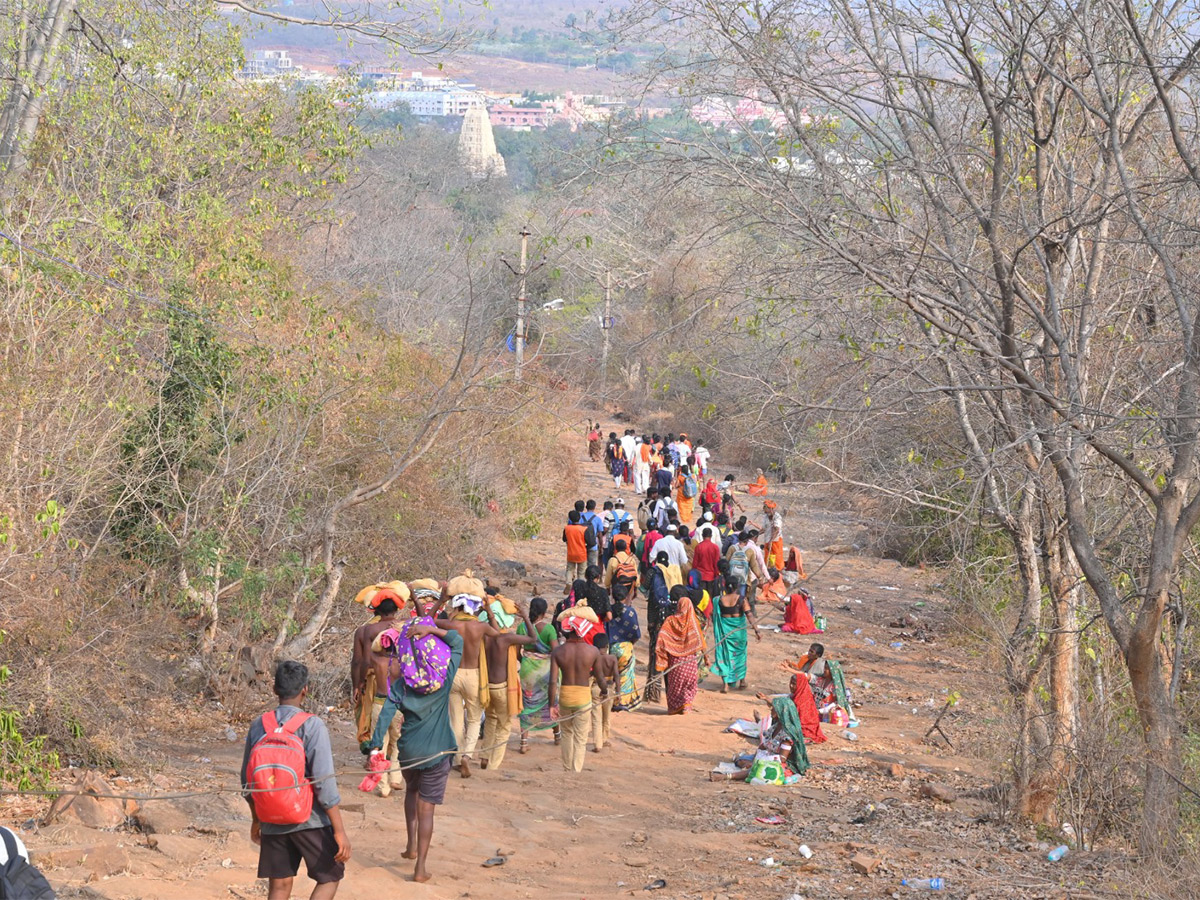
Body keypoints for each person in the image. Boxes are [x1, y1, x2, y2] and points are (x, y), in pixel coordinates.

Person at [243, 661, 350, 900]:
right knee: (330, 877)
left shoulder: (258, 725)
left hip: (270, 819)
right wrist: (339, 830)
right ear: (305, 690)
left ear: (274, 690)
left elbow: (247, 782)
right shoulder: (312, 725)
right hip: (309, 820)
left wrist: (257, 820)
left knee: (279, 886)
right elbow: (323, 783)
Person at [368, 622, 464, 883]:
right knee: (427, 809)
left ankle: (411, 846)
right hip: (437, 751)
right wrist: (433, 630)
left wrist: (375, 748)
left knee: (411, 791)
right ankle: (420, 867)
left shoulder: (401, 686)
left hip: (409, 751)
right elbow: (457, 641)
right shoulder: (444, 678)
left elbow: (385, 716)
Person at [439, 590, 501, 778]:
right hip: (474, 675)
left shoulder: (451, 624)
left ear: (457, 606)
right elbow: (497, 633)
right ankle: (467, 755)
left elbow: (426, 621)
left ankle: (457, 759)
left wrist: (441, 601)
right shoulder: (480, 626)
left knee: (456, 719)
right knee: (474, 719)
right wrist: (489, 611)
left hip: (454, 673)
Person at [479, 594, 538, 771]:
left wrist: (489, 612)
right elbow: (532, 639)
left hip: (486, 686)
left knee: (490, 720)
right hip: (502, 688)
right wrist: (526, 617)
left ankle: (484, 755)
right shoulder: (506, 639)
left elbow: (492, 624)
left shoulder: (486, 637)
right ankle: (493, 765)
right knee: (504, 727)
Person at [360, 590, 409, 797]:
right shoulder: (403, 662)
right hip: (398, 707)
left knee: (379, 744)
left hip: (379, 705)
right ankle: (396, 777)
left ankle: (383, 786)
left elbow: (365, 656)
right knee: (398, 743)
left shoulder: (376, 660)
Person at [350, 581, 409, 746]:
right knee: (397, 716)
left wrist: (359, 683)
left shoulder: (366, 630)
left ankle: (374, 750)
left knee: (371, 714)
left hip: (374, 679)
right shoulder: (403, 626)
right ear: (397, 609)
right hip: (398, 679)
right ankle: (393, 753)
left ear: (374, 609)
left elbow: (360, 661)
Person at [549, 612, 607, 772]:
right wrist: (605, 691)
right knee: (580, 737)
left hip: (565, 696)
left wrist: (551, 705)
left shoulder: (558, 652)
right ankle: (576, 769)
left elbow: (553, 681)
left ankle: (567, 768)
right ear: (584, 630)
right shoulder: (593, 651)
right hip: (583, 696)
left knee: (567, 732)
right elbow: (600, 677)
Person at [654, 586, 706, 714]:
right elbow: (700, 641)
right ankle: (686, 706)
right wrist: (706, 658)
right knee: (689, 685)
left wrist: (662, 656)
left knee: (676, 686)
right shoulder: (693, 622)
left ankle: (675, 708)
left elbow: (661, 638)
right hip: (690, 662)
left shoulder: (670, 621)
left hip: (675, 662)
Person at [517, 597, 559, 753]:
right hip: (546, 671)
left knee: (526, 705)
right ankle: (557, 735)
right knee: (552, 700)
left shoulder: (522, 627)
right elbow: (555, 651)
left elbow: (516, 653)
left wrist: (527, 662)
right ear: (544, 612)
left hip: (527, 669)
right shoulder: (549, 630)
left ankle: (523, 742)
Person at [711, 575, 761, 692]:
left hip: (725, 634)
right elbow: (749, 614)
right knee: (740, 656)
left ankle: (725, 685)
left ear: (725, 586)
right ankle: (742, 681)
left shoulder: (718, 600)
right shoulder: (741, 599)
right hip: (738, 635)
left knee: (725, 655)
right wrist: (757, 630)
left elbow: (714, 616)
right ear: (737, 587)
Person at [606, 591, 641, 708]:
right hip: (625, 647)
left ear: (612, 596)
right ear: (626, 597)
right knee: (625, 675)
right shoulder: (630, 612)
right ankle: (622, 702)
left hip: (611, 647)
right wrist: (631, 644)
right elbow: (636, 632)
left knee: (612, 675)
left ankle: (611, 700)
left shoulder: (608, 611)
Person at [590, 633, 618, 751]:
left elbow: (590, 674)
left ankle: (597, 744)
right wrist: (619, 692)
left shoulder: (594, 658)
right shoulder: (612, 658)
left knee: (596, 717)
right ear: (607, 646)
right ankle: (604, 739)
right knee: (606, 716)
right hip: (609, 689)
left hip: (596, 688)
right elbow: (617, 676)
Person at [562, 509, 595, 588]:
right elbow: (591, 542)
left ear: (570, 519)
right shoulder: (583, 529)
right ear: (580, 518)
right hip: (581, 553)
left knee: (570, 569)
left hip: (571, 553)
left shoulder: (567, 528)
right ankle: (580, 586)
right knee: (581, 572)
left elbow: (564, 539)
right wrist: (586, 548)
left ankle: (568, 582)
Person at [691, 525, 722, 599]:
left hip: (701, 575)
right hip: (711, 575)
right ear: (711, 536)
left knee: (702, 597)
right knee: (710, 596)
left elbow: (695, 563)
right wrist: (716, 574)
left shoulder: (698, 547)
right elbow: (716, 562)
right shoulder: (715, 547)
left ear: (702, 536)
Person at [580, 499, 604, 570]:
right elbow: (600, 535)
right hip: (593, 545)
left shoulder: (581, 517)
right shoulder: (597, 519)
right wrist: (601, 547)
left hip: (582, 544)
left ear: (586, 507)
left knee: (582, 565)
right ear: (594, 507)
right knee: (592, 565)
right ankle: (590, 579)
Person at [762, 500, 785, 570]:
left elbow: (777, 530)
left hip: (775, 541)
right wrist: (756, 535)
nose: (764, 510)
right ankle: (769, 570)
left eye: (765, 508)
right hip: (767, 540)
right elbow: (763, 529)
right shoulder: (765, 517)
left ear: (770, 509)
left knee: (776, 558)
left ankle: (777, 571)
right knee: (768, 558)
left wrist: (771, 542)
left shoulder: (777, 517)